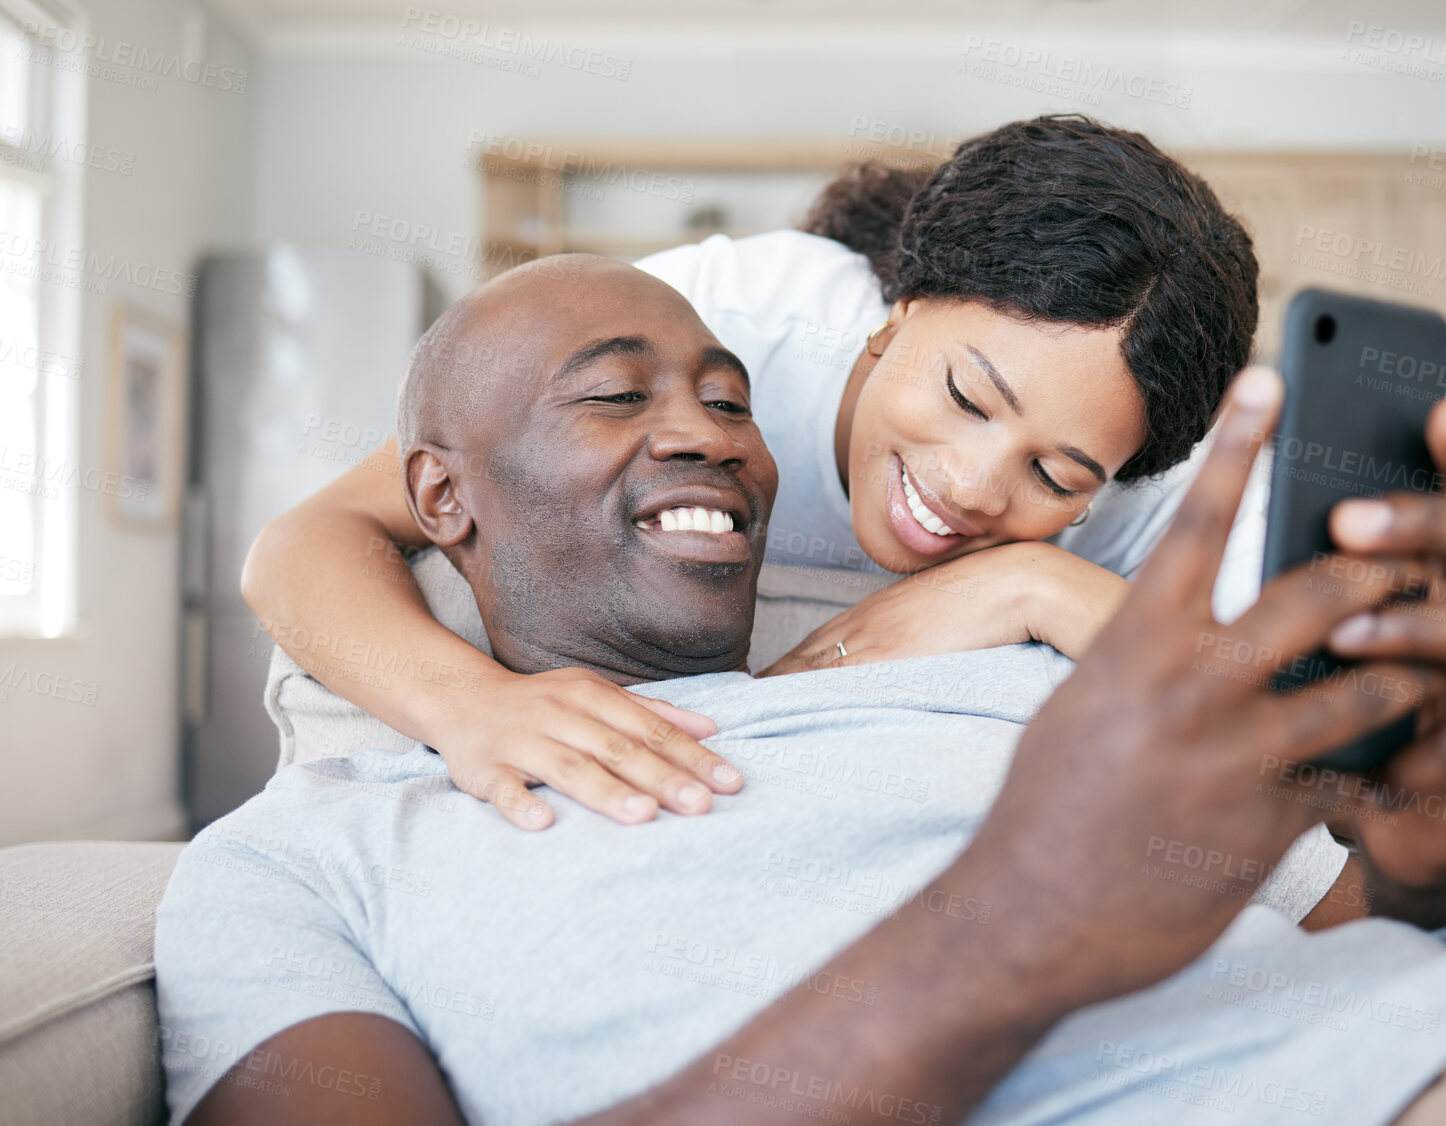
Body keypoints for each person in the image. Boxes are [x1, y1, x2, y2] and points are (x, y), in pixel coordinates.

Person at [157, 256, 1446, 1126]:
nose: (712, 427)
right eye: (614, 396)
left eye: (728, 396)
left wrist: (1445, 862)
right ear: (441, 497)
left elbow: (1386, 968)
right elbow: (304, 548)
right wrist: (1005, 932)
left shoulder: (1002, 690)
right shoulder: (310, 854)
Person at [240, 115, 1270, 828]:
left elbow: (1286, 713)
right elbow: (304, 541)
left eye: (1053, 474)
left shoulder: (1153, 484)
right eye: (964, 398)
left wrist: (1031, 579)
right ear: (895, 319)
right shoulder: (706, 329)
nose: (970, 485)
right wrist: (468, 704)